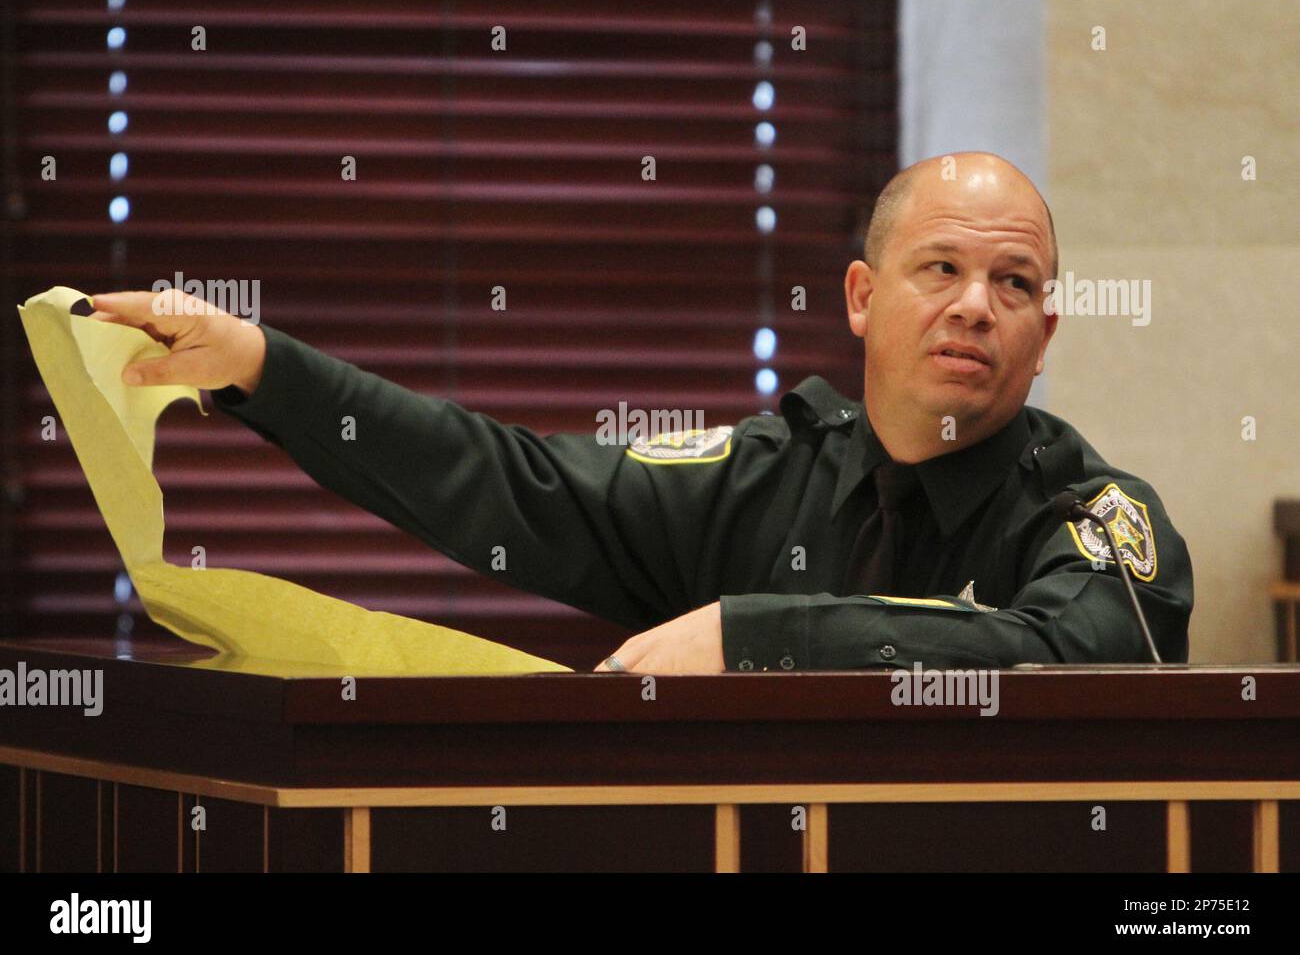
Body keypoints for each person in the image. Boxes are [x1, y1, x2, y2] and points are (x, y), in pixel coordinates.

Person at [89, 152, 1193, 674]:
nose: (973, 307)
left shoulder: (1094, 511)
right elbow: (506, 481)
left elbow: (1075, 653)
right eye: (940, 266)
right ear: (860, 299)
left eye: (1013, 284)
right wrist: (262, 366)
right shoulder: (764, 476)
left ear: (1044, 338)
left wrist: (751, 632)